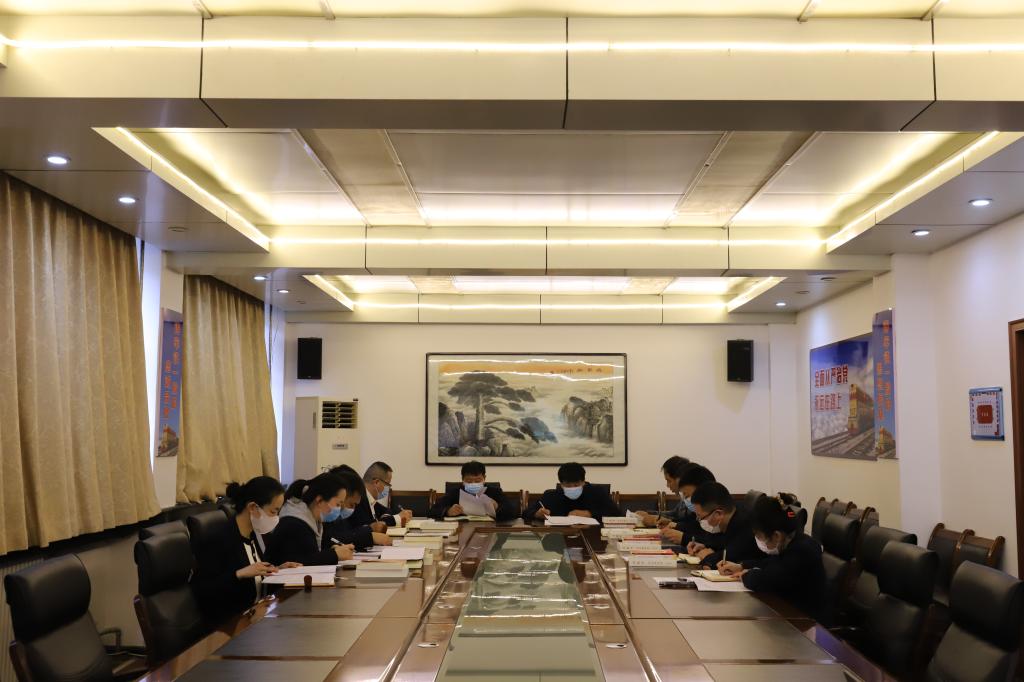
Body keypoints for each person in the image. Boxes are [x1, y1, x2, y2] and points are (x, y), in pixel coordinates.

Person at [192, 476, 299, 622]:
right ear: (253, 507)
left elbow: (255, 576)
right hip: (232, 623)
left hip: (258, 615)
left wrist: (278, 570)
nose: (276, 518)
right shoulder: (218, 539)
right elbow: (204, 591)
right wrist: (239, 574)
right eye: (273, 512)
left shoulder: (254, 535)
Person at [718, 493, 826, 622]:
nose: (758, 540)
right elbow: (771, 563)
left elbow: (767, 579)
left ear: (776, 536)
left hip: (806, 622)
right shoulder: (793, 541)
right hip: (788, 612)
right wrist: (741, 566)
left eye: (759, 536)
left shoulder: (802, 551)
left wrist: (746, 575)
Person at [264, 471, 358, 566]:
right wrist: (334, 555)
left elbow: (309, 554)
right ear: (319, 500)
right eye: (338, 504)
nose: (339, 509)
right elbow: (300, 562)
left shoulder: (312, 520)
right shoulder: (294, 523)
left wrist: (333, 551)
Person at [667, 481, 759, 567]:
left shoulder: (745, 526)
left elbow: (730, 556)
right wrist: (706, 546)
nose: (698, 521)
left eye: (700, 517)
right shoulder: (731, 516)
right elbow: (721, 543)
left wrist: (708, 557)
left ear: (718, 514)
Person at [522, 462, 621, 522]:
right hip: (560, 538)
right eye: (568, 485)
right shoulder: (551, 495)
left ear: (583, 482)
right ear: (561, 484)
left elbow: (617, 514)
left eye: (576, 485)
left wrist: (590, 513)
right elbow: (525, 513)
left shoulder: (597, 493)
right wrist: (536, 513)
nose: (572, 488)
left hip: (593, 537)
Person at [322, 465, 392, 550]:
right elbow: (329, 539)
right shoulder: (325, 515)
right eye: (352, 504)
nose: (353, 509)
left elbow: (346, 533)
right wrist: (370, 536)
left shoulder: (339, 516)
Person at [427, 460, 518, 521]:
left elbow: (514, 512)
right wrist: (448, 511)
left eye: (478, 480)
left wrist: (497, 507)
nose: (473, 483)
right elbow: (431, 512)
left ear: (484, 478)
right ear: (462, 480)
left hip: (488, 531)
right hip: (461, 530)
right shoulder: (455, 492)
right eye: (469, 481)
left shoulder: (494, 492)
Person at [656, 463, 716, 543]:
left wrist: (684, 538)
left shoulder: (718, 513)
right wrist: (675, 524)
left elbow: (715, 542)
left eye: (686, 495)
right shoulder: (702, 511)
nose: (685, 499)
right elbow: (694, 524)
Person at [349, 461, 413, 532]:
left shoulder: (371, 499)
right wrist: (397, 518)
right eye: (387, 484)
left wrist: (388, 516)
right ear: (376, 482)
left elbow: (386, 510)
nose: (387, 489)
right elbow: (369, 525)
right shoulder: (358, 499)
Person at [635, 456, 691, 528]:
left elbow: (689, 524)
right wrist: (648, 513)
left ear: (679, 479)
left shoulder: (694, 499)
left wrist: (657, 519)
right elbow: (674, 514)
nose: (667, 485)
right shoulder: (684, 497)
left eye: (669, 481)